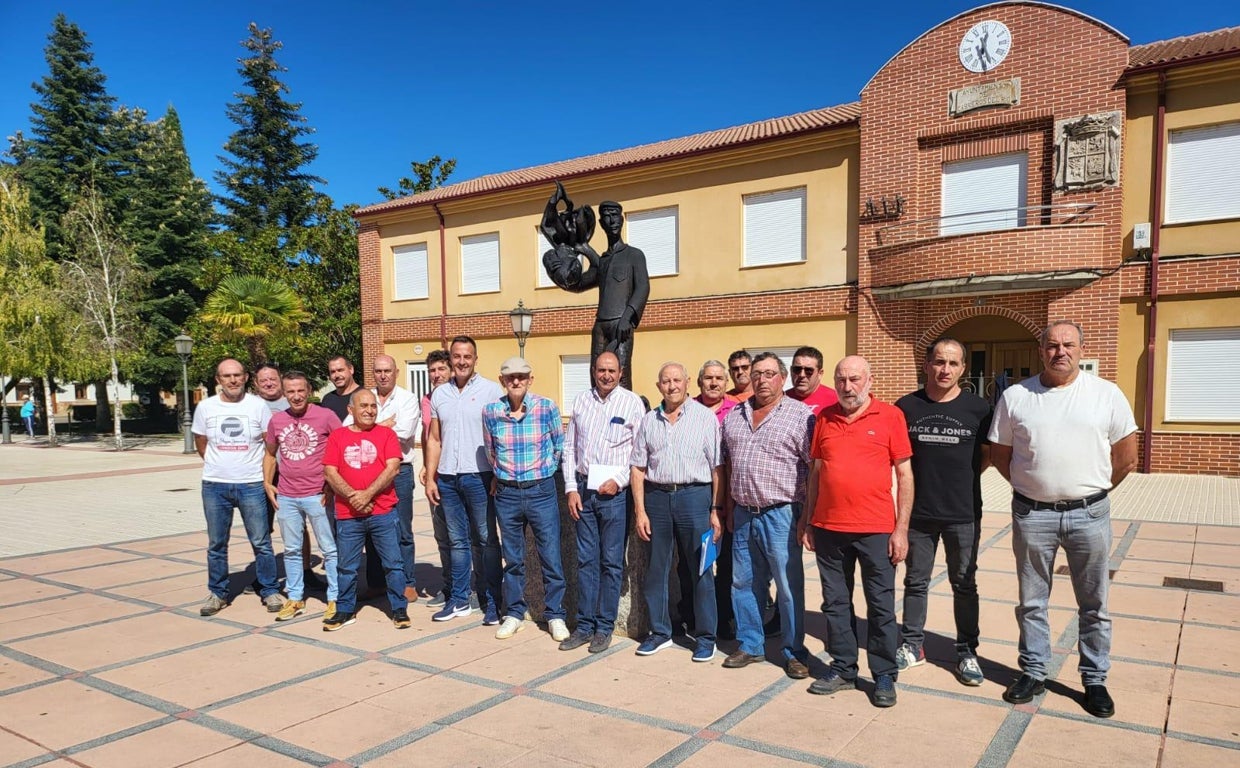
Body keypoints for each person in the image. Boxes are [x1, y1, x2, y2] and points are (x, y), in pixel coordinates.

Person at [990, 321, 1138, 718]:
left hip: (1089, 514)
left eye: (1068, 345)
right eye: (1052, 345)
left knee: (1094, 603)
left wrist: (1091, 491)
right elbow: (1000, 455)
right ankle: (1034, 671)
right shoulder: (1017, 396)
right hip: (1032, 513)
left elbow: (1126, 457)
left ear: (1080, 349)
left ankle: (1094, 679)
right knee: (1032, 601)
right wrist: (1032, 486)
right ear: (1041, 351)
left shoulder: (1105, 394)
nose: (1060, 352)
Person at [800, 355, 913, 708]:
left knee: (880, 606)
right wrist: (808, 522)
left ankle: (883, 674)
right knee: (835, 604)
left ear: (869, 380)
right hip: (830, 528)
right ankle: (844, 668)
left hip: (877, 529)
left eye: (855, 379)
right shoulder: (824, 418)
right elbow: (816, 474)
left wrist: (901, 530)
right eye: (841, 379)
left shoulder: (891, 416)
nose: (848, 387)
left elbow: (905, 476)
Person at [895, 338, 992, 686]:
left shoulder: (979, 409)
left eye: (953, 363)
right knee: (915, 581)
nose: (945, 370)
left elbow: (985, 456)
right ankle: (912, 645)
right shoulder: (906, 406)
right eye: (939, 362)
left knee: (964, 584)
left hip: (963, 513)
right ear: (926, 364)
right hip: (919, 514)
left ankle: (967, 652)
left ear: (963, 369)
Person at [720, 352, 813, 679]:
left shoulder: (801, 417)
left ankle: (793, 651)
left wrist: (806, 518)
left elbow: (813, 468)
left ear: (783, 378)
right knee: (743, 582)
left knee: (787, 588)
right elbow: (728, 465)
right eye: (757, 373)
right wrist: (728, 508)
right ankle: (751, 644)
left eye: (769, 373)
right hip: (743, 513)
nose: (761, 379)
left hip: (782, 515)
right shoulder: (734, 415)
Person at [633, 362, 724, 662]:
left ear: (687, 383)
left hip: (694, 498)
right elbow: (638, 467)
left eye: (677, 380)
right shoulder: (648, 421)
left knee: (700, 568)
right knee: (656, 569)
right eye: (665, 381)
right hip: (657, 498)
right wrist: (640, 511)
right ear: (658, 386)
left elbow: (717, 468)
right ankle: (660, 633)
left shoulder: (705, 418)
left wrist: (715, 509)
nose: (672, 386)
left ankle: (705, 636)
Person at [558, 351, 645, 653]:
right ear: (593, 371)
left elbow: (639, 452)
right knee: (585, 561)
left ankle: (604, 628)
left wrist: (619, 479)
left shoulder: (632, 403)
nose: (606, 375)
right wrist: (571, 488)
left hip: (614, 496)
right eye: (601, 370)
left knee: (610, 562)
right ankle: (583, 626)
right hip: (584, 490)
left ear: (621, 373)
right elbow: (569, 449)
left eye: (612, 370)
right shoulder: (582, 401)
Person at [481, 357, 570, 643]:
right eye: (510, 377)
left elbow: (559, 445)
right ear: (502, 381)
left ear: (530, 379)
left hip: (540, 491)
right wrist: (502, 474)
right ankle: (515, 614)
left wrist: (544, 472)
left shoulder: (546, 408)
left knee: (550, 556)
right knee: (514, 559)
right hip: (507, 493)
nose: (516, 381)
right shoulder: (491, 411)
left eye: (521, 376)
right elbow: (490, 449)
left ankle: (555, 614)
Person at [424, 336, 504, 624]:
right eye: (456, 356)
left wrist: (497, 473)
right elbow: (434, 439)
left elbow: (500, 436)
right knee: (457, 541)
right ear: (450, 359)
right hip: (447, 478)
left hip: (479, 476)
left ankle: (493, 600)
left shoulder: (491, 391)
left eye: (467, 356)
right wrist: (431, 477)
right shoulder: (439, 395)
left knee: (485, 540)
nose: (461, 361)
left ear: (475, 359)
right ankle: (459, 599)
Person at [192, 359, 281, 617]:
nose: (232, 380)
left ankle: (269, 589)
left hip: (251, 484)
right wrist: (219, 465)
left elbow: (270, 445)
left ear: (245, 377)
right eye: (227, 376)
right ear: (218, 379)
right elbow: (201, 442)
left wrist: (262, 476)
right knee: (217, 543)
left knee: (261, 542)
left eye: (237, 375)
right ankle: (218, 592)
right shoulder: (206, 407)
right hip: (215, 485)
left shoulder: (258, 406)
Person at [321, 389, 410, 631]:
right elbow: (330, 471)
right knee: (347, 567)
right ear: (351, 410)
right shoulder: (338, 436)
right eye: (363, 406)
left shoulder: (386, 434)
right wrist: (354, 497)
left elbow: (393, 468)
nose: (369, 410)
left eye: (373, 406)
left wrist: (367, 494)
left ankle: (399, 608)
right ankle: (345, 610)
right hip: (349, 515)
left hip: (382, 511)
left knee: (393, 563)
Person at [264, 371, 343, 622]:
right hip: (287, 495)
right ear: (284, 393)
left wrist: (332, 485)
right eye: (290, 392)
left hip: (318, 494)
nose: (296, 396)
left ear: (309, 391)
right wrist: (267, 483)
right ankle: (295, 597)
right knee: (291, 549)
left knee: (329, 549)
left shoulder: (326, 416)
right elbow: (269, 453)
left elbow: (341, 448)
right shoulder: (277, 420)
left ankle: (335, 598)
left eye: (300, 391)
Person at [550, 199, 650, 391]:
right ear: (601, 223)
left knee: (620, 373)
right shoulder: (603, 260)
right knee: (595, 374)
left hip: (621, 323)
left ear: (621, 220)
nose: (612, 221)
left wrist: (628, 317)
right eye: (607, 217)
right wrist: (561, 272)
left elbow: (643, 287)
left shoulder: (634, 255)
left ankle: (625, 414)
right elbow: (580, 284)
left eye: (615, 216)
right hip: (600, 325)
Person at [360, 354, 420, 603]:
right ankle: (376, 583)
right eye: (378, 371)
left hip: (400, 471)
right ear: (373, 373)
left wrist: (368, 427)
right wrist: (385, 425)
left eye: (387, 371)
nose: (383, 375)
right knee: (373, 529)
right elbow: (347, 427)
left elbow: (404, 433)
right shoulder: (364, 398)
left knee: (402, 530)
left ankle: (407, 583)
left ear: (396, 372)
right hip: (370, 473)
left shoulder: (407, 398)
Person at [692, 359, 739, 638]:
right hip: (698, 496)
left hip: (730, 498)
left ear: (726, 382)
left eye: (719, 378)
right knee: (700, 560)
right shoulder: (688, 410)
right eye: (708, 378)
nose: (713, 383)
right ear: (699, 382)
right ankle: (696, 616)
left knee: (729, 564)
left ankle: (724, 618)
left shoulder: (737, 410)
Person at [419, 349, 454, 606]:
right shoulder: (427, 399)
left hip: (460, 476)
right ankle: (449, 584)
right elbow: (429, 436)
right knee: (442, 535)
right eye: (432, 370)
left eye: (441, 369)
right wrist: (426, 468)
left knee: (468, 537)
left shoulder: (458, 396)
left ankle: (475, 587)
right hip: (437, 477)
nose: (436, 374)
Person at [785, 346, 839, 415]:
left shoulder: (836, 401)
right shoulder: (781, 400)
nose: (802, 375)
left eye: (808, 370)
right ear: (791, 370)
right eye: (797, 369)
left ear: (820, 373)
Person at [321, 356, 362, 421]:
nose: (337, 375)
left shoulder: (365, 396)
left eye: (340, 370)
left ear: (351, 369)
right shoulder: (327, 400)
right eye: (333, 372)